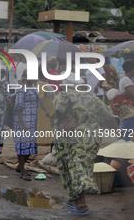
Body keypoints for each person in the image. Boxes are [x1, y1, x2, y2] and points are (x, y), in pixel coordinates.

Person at [51, 75, 125, 215]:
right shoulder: (89, 97)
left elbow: (59, 110)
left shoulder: (63, 95)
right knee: (84, 166)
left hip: (75, 136)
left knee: (74, 167)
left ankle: (82, 205)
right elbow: (107, 114)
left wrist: (64, 122)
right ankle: (73, 199)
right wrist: (117, 129)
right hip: (93, 137)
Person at [13, 72, 39, 181]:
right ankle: (23, 171)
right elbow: (18, 108)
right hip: (22, 122)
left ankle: (20, 166)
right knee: (22, 146)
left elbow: (39, 101)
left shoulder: (34, 89)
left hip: (32, 122)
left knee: (30, 146)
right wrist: (23, 123)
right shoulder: (21, 90)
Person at [110, 59, 134, 141]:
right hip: (128, 111)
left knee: (125, 133)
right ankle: (119, 151)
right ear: (131, 70)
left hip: (127, 111)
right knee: (125, 135)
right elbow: (132, 95)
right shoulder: (126, 79)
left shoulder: (126, 79)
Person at [36, 65, 55, 145]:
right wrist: (46, 110)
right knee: (42, 127)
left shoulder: (45, 83)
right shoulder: (40, 84)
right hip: (44, 111)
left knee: (48, 128)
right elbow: (40, 98)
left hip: (50, 109)